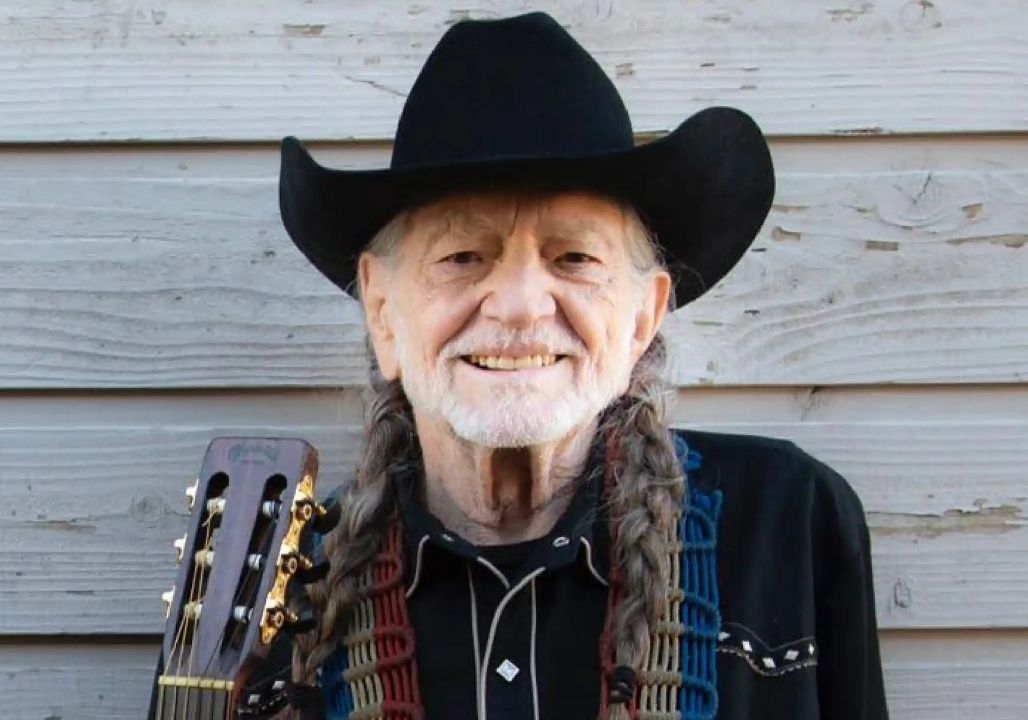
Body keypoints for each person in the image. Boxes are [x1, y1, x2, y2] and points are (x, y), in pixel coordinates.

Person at [158, 11, 891, 720]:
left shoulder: (786, 528)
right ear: (383, 314)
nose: (517, 305)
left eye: (573, 256)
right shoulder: (287, 594)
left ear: (642, 317)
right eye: (461, 256)